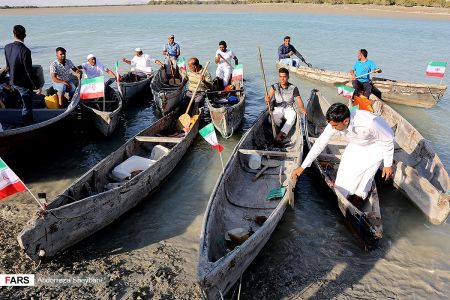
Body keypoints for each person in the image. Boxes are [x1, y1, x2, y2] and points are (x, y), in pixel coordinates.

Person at [291, 103, 394, 208]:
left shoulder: (369, 123)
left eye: (335, 126)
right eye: (331, 125)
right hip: (356, 143)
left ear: (345, 121)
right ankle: (343, 195)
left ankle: (358, 199)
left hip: (376, 145)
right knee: (345, 171)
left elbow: (388, 139)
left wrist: (388, 164)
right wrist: (303, 166)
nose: (332, 128)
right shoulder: (334, 123)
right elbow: (320, 143)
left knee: (365, 178)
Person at [4, 25, 36, 125]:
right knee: (27, 107)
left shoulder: (7, 47)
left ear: (14, 34)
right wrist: (36, 85)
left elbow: (8, 66)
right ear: (25, 35)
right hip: (23, 84)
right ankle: (27, 127)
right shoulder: (25, 50)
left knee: (20, 104)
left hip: (12, 82)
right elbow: (28, 71)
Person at [265, 67, 306, 142]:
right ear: (279, 77)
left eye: (284, 77)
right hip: (278, 108)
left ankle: (280, 135)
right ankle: (275, 130)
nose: (282, 79)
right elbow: (268, 98)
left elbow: (299, 100)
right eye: (280, 77)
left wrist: (303, 110)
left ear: (288, 77)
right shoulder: (274, 87)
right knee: (271, 119)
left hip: (288, 108)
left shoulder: (294, 88)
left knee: (293, 116)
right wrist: (267, 100)